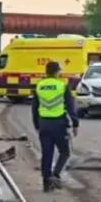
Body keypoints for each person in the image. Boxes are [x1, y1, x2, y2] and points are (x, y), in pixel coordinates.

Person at [32, 62, 80, 192]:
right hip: (59, 125)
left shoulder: (39, 86)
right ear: (56, 72)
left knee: (47, 154)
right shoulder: (62, 86)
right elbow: (71, 107)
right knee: (65, 152)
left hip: (43, 124)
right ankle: (56, 174)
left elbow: (35, 108)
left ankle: (46, 184)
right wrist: (75, 124)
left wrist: (37, 125)